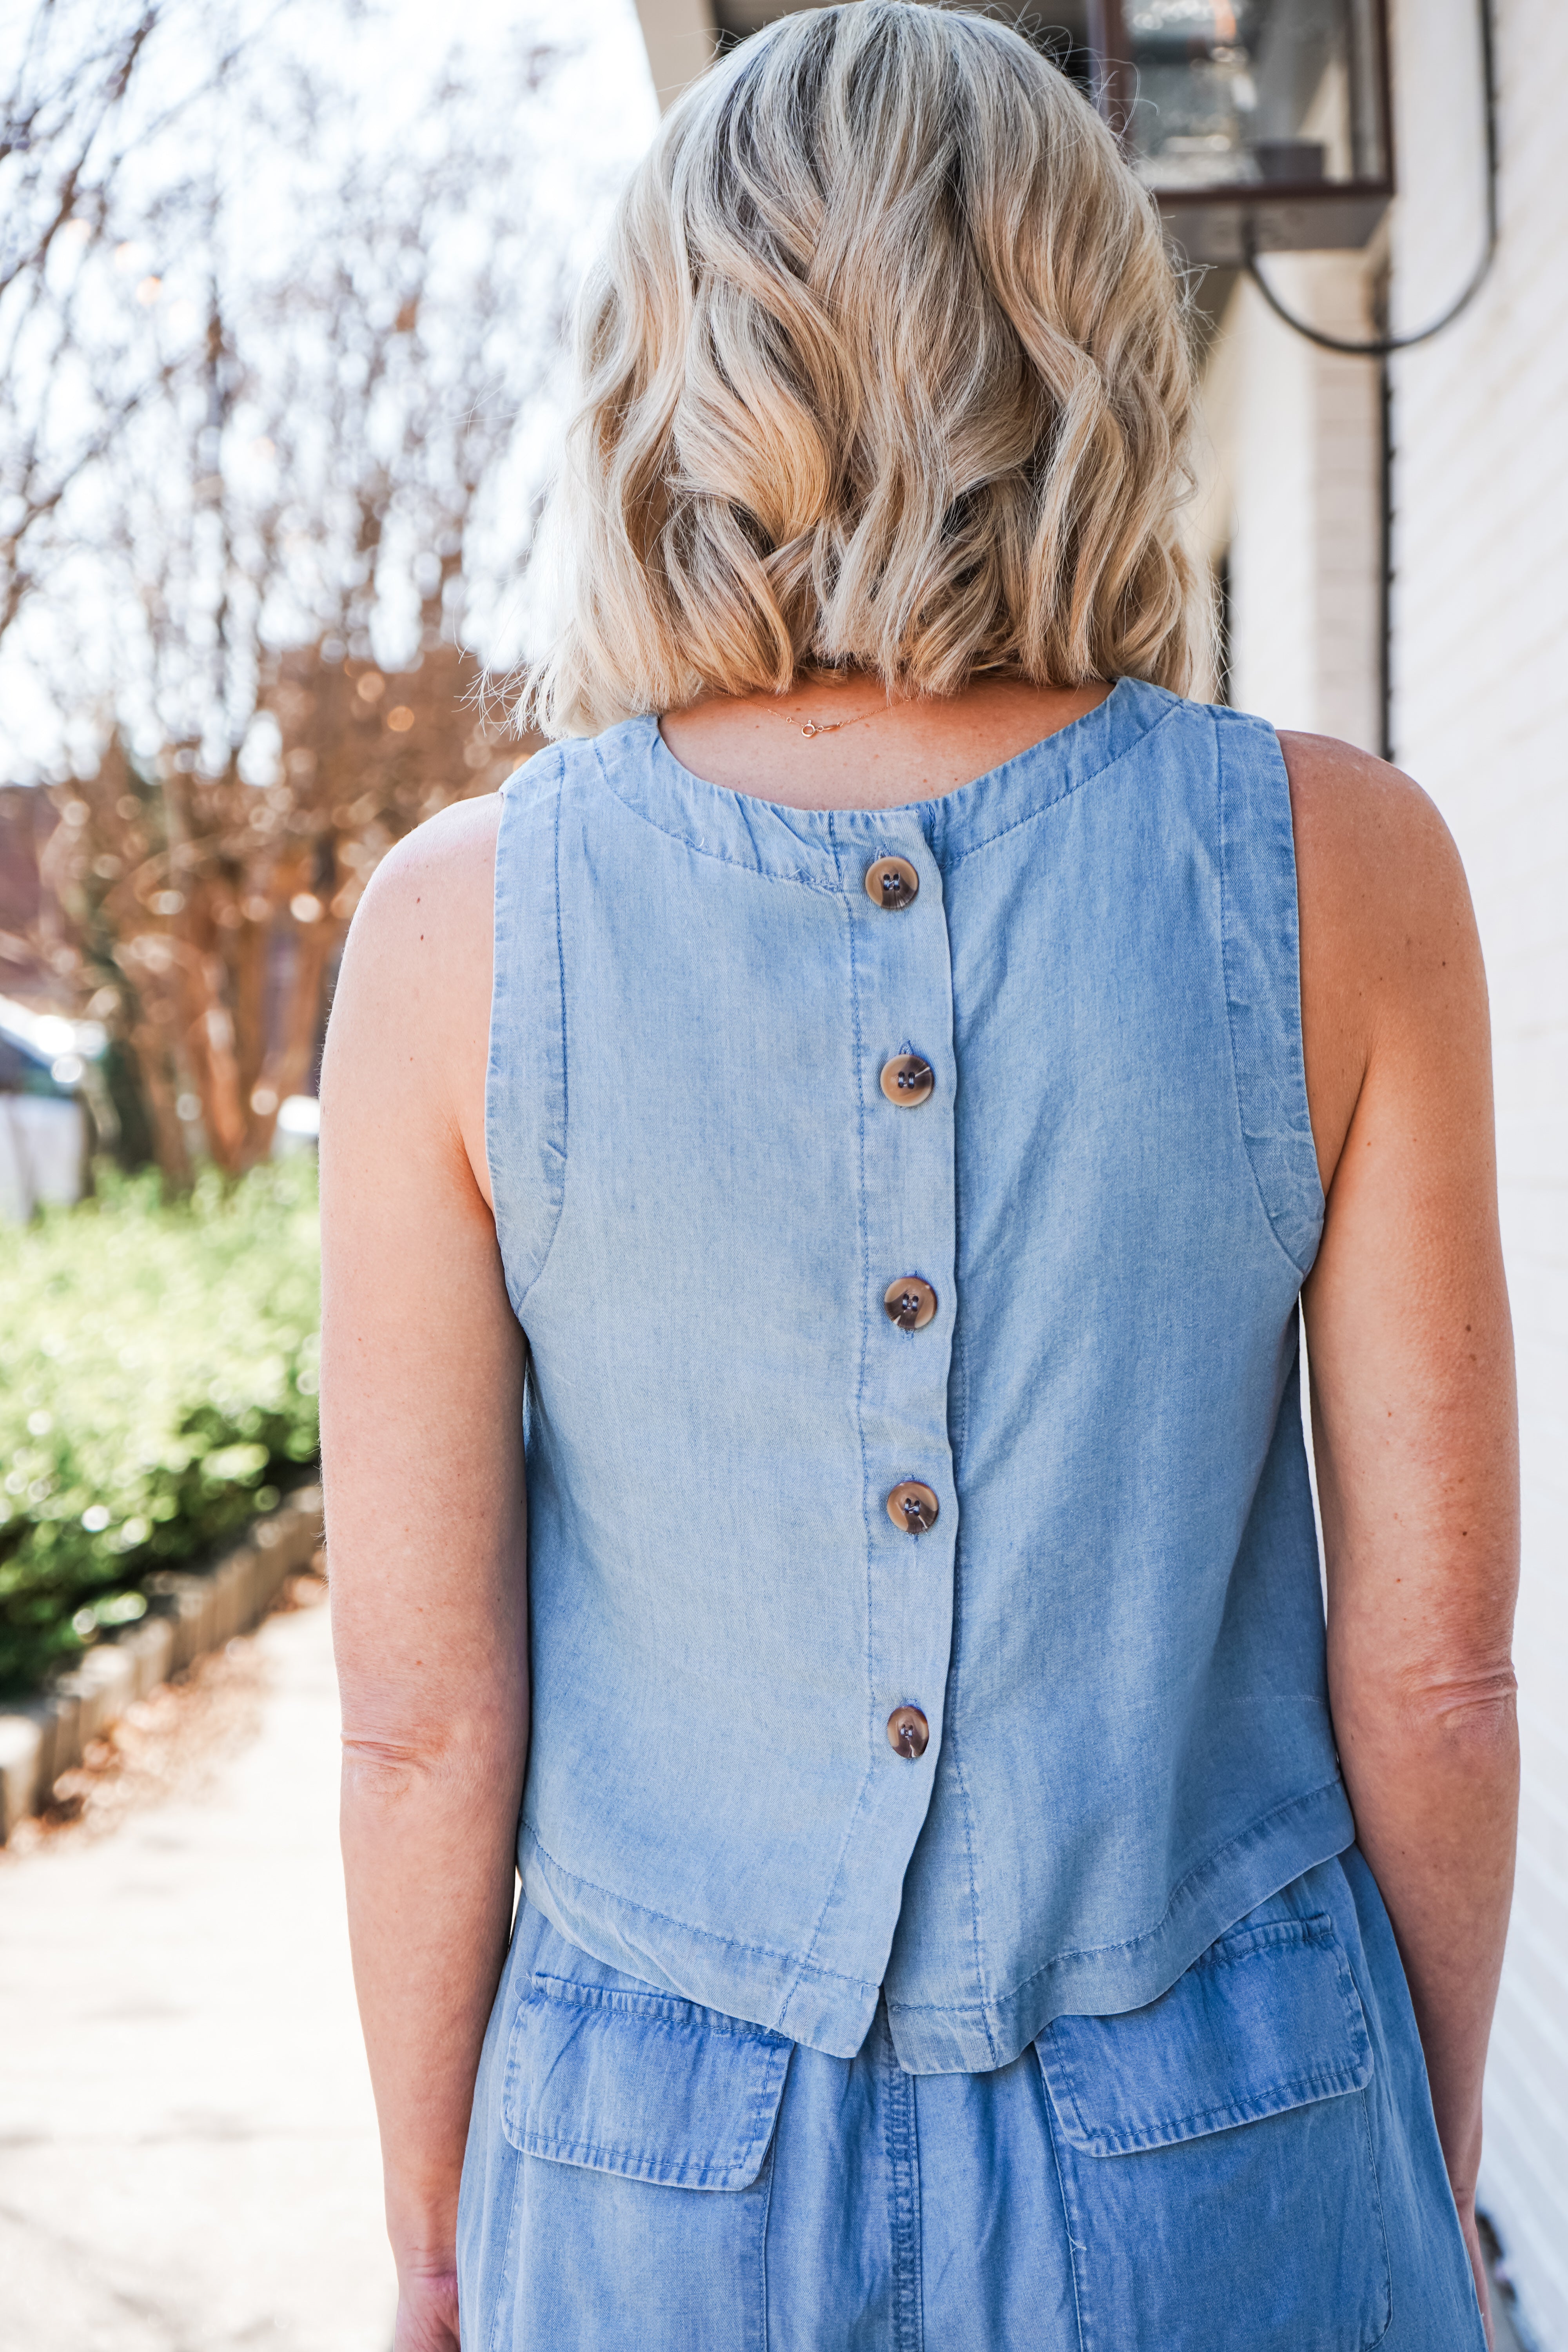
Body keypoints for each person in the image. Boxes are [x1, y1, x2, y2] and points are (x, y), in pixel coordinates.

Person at [318, 8, 1519, 2348]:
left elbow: (418, 1725)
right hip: (1238, 2119)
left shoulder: (459, 932)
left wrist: (431, 2237)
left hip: (645, 2181)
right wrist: (1412, 2149)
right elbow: (1444, 1675)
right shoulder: (1341, 865)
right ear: (1088, 335)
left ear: (672, 362)